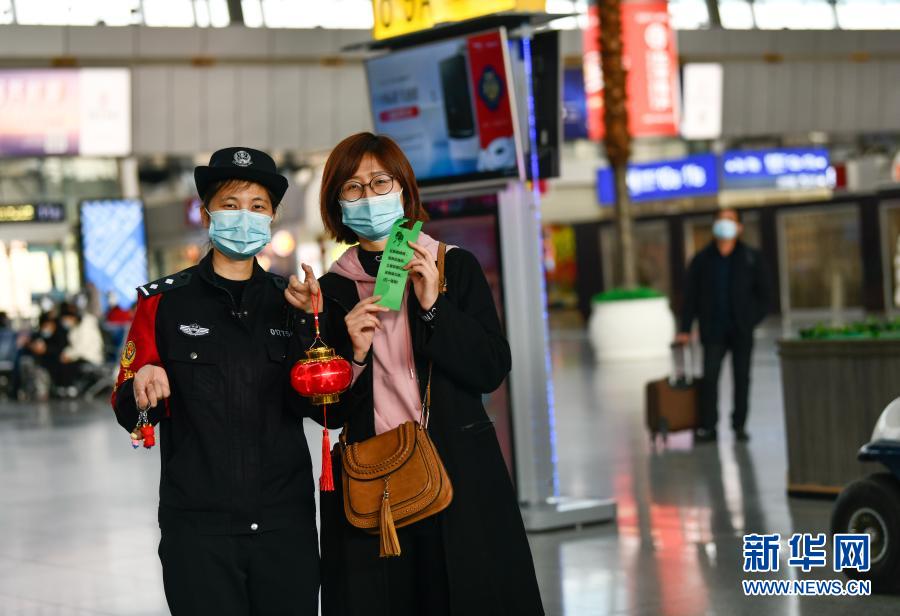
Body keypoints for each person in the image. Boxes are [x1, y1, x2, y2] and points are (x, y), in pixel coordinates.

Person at [284, 132, 544, 616]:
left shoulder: (452, 268)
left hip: (458, 477)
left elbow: (490, 368)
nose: (369, 195)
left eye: (380, 182)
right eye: (353, 188)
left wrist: (432, 307)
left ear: (403, 190)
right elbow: (326, 414)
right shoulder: (331, 293)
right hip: (372, 481)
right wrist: (355, 353)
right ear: (338, 204)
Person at [110, 147, 320, 615]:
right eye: (230, 204)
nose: (243, 216)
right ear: (206, 213)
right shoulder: (163, 304)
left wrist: (309, 325)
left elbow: (324, 407)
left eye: (257, 206)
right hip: (198, 529)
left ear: (272, 218)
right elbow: (129, 410)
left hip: (283, 524)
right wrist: (142, 385)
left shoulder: (293, 301)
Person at [676, 208, 770, 443]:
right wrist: (685, 329)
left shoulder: (751, 257)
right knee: (710, 378)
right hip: (712, 329)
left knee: (742, 378)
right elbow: (690, 297)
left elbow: (765, 295)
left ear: (739, 227)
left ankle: (739, 426)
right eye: (720, 220)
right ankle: (709, 426)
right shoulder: (701, 260)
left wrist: (751, 319)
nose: (724, 225)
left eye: (730, 220)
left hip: (741, 329)